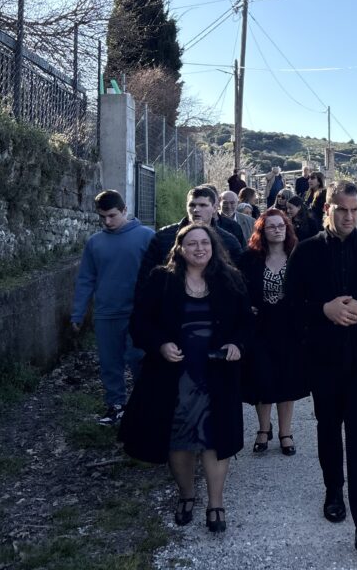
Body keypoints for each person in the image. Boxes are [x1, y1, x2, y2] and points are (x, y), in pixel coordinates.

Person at [286, 180, 357, 552]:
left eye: (355, 211)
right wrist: (324, 309)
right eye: (342, 210)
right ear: (327, 210)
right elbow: (290, 307)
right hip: (324, 359)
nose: (350, 217)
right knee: (329, 429)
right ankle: (334, 490)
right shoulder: (306, 252)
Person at [120, 224, 251, 534]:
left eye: (204, 242)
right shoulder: (161, 280)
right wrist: (160, 344)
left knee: (215, 438)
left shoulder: (230, 279)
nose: (199, 248)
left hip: (216, 374)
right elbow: (140, 322)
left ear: (213, 246)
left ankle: (216, 502)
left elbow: (246, 322)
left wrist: (237, 344)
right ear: (179, 248)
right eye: (191, 244)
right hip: (173, 374)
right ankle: (186, 495)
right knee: (178, 436)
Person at [71, 190, 154, 425]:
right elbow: (86, 278)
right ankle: (116, 406)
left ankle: (144, 405)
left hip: (138, 313)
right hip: (107, 313)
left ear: (124, 210)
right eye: (102, 217)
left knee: (139, 360)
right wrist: (78, 312)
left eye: (112, 215)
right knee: (109, 363)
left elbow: (160, 274)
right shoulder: (95, 243)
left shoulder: (147, 236)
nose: (107, 221)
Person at [237, 209, 309, 457]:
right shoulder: (249, 258)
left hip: (289, 328)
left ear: (287, 229)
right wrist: (247, 306)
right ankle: (263, 429)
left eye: (281, 226)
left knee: (287, 379)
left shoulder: (298, 257)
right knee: (262, 377)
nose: (277, 230)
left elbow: (308, 290)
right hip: (260, 327)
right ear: (262, 231)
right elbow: (238, 288)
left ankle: (285, 432)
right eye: (271, 226)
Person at [137, 186, 244, 284]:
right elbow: (146, 276)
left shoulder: (229, 241)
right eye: (192, 205)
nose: (196, 210)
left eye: (203, 205)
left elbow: (240, 279)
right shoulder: (163, 236)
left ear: (215, 208)